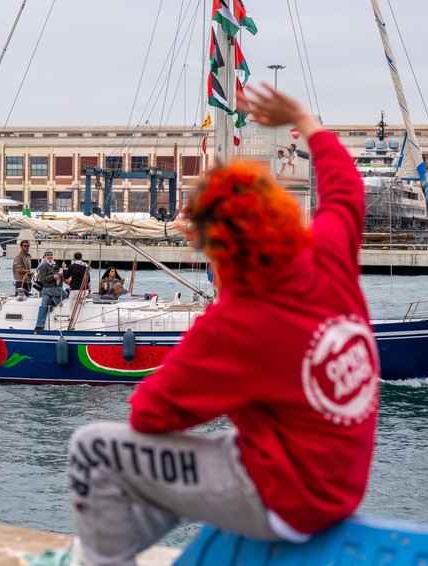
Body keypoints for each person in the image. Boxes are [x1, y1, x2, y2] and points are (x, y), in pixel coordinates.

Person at [65, 83, 380, 566]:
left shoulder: (239, 323)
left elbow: (149, 416)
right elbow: (345, 187)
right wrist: (305, 120)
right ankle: (125, 545)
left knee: (92, 448)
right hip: (341, 482)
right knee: (220, 448)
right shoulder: (330, 252)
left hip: (290, 504)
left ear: (215, 246)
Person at [34, 249, 67, 330]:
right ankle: (53, 302)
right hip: (50, 288)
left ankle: (39, 326)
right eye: (48, 255)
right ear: (44, 256)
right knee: (65, 294)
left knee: (43, 306)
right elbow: (42, 278)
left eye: (51, 255)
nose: (50, 256)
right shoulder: (44, 265)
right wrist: (53, 276)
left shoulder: (50, 264)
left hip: (45, 290)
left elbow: (55, 269)